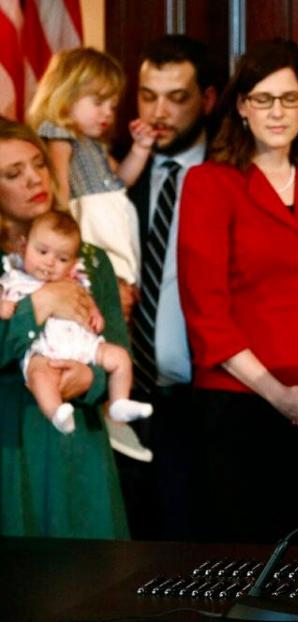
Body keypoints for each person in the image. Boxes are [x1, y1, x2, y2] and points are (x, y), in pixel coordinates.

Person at [178, 39, 298, 542]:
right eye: (262, 99)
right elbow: (205, 311)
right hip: (243, 396)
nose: (277, 112)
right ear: (240, 106)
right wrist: (278, 395)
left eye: (289, 98)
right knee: (248, 552)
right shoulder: (209, 183)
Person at [0, 118, 128, 538]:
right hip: (11, 443)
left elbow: (115, 353)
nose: (35, 178)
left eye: (38, 164)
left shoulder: (90, 260)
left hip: (77, 450)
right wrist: (38, 303)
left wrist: (89, 377)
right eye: (14, 174)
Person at [125, 34, 218, 539]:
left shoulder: (230, 174)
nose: (159, 111)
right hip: (124, 394)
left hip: (203, 400)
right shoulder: (116, 177)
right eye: (147, 95)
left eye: (176, 98)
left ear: (207, 99)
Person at [0, 211, 152, 433]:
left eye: (62, 259)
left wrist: (95, 314)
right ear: (24, 248)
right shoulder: (14, 278)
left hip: (80, 345)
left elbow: (88, 302)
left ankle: (119, 402)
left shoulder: (77, 279)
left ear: (73, 263)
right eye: (42, 252)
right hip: (44, 349)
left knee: (119, 357)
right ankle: (56, 412)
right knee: (40, 374)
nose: (50, 263)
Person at [26, 47, 151, 302]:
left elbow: (121, 181)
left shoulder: (96, 144)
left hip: (112, 229)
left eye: (112, 106)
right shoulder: (61, 138)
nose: (107, 112)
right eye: (98, 102)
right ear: (66, 96)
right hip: (90, 227)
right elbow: (59, 189)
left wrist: (140, 149)